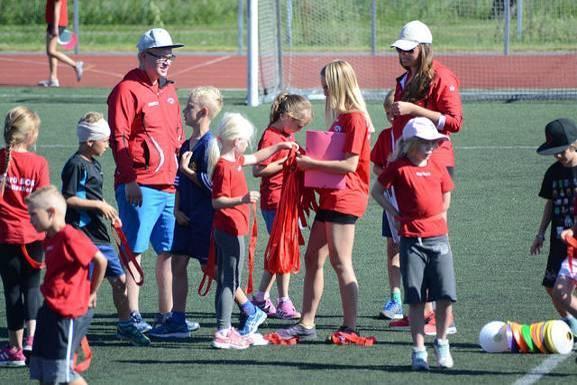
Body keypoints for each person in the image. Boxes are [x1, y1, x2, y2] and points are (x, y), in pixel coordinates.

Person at [277, 60, 373, 341]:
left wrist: (312, 163)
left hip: (347, 197)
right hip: (331, 197)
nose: (325, 91)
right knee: (312, 258)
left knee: (341, 262)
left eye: (327, 86)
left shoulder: (355, 119)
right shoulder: (341, 120)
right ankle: (306, 324)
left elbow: (350, 165)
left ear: (339, 85)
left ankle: (350, 326)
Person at [107, 28, 184, 332]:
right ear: (143, 56)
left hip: (169, 186)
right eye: (159, 55)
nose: (166, 60)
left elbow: (176, 136)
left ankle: (165, 316)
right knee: (133, 252)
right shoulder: (126, 89)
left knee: (167, 252)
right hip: (140, 185)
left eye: (170, 55)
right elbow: (119, 137)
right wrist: (129, 180)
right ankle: (132, 315)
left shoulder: (169, 89)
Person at [389, 20, 462, 335]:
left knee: (432, 239)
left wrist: (415, 110)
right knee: (407, 240)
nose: (403, 55)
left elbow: (454, 122)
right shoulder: (406, 78)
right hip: (406, 164)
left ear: (424, 49)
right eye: (400, 50)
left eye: (409, 50)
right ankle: (419, 310)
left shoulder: (442, 77)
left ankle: (444, 319)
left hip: (434, 165)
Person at [371, 117, 456, 370]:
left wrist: (440, 215)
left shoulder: (438, 165)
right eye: (424, 143)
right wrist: (395, 213)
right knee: (416, 298)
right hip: (411, 242)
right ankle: (419, 351)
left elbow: (446, 192)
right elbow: (377, 190)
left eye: (432, 142)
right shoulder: (397, 167)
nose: (430, 147)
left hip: (439, 240)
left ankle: (441, 343)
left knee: (445, 296)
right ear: (409, 144)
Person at [60, 112, 150, 346]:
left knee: (120, 281)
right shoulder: (76, 165)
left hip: (99, 234)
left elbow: (91, 198)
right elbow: (68, 199)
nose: (109, 145)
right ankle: (69, 331)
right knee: (84, 288)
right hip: (82, 236)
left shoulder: (94, 164)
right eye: (104, 140)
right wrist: (100, 205)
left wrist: (109, 214)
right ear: (90, 141)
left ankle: (124, 325)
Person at [211, 112, 297, 349]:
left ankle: (225, 328)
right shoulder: (223, 167)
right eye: (244, 139)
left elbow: (258, 156)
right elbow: (217, 201)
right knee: (229, 281)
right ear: (234, 140)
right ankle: (223, 330)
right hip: (229, 229)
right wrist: (243, 198)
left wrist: (280, 145)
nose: (247, 143)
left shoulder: (236, 160)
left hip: (236, 228)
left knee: (230, 280)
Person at [149, 87, 222, 339]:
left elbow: (214, 186)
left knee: (211, 269)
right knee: (178, 263)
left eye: (189, 106)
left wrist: (187, 171)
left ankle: (247, 307)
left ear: (202, 112)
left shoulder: (211, 145)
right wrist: (177, 208)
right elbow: (178, 181)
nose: (184, 109)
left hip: (203, 217)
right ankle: (177, 320)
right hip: (184, 216)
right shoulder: (185, 145)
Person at [26, 185, 107, 385]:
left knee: (63, 372)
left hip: (69, 312)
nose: (31, 220)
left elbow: (100, 260)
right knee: (45, 367)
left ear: (51, 213)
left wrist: (91, 292)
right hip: (51, 309)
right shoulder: (49, 239)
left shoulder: (70, 236)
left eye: (34, 215)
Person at [251, 92, 312, 319]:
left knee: (282, 251)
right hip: (275, 201)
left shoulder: (287, 135)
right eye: (298, 124)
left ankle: (260, 297)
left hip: (288, 201)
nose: (299, 130)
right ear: (286, 116)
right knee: (282, 251)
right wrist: (284, 162)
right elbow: (258, 169)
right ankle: (283, 300)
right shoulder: (270, 136)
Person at [0, 106, 49, 367]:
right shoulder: (38, 163)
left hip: (6, 236)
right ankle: (32, 340)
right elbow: (43, 200)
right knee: (32, 288)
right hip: (33, 236)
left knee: (11, 292)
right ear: (30, 135)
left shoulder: (1, 159)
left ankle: (15, 349)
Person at [530, 118, 577, 335]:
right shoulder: (553, 172)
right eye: (554, 152)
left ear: (574, 144)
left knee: (564, 289)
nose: (558, 156)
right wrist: (540, 233)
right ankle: (571, 324)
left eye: (561, 151)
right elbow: (550, 202)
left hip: (575, 243)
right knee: (551, 287)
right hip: (558, 241)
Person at [370, 89, 403, 320]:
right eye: (388, 114)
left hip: (412, 202)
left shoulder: (414, 135)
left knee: (414, 249)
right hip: (390, 200)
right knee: (392, 247)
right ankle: (396, 298)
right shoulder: (385, 137)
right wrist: (388, 175)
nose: (392, 118)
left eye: (395, 113)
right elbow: (376, 167)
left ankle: (422, 301)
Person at [38, 0, 84, 87]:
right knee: (52, 52)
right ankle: (53, 79)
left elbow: (57, 8)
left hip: (57, 24)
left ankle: (75, 65)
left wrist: (55, 27)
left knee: (51, 51)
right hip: (53, 22)